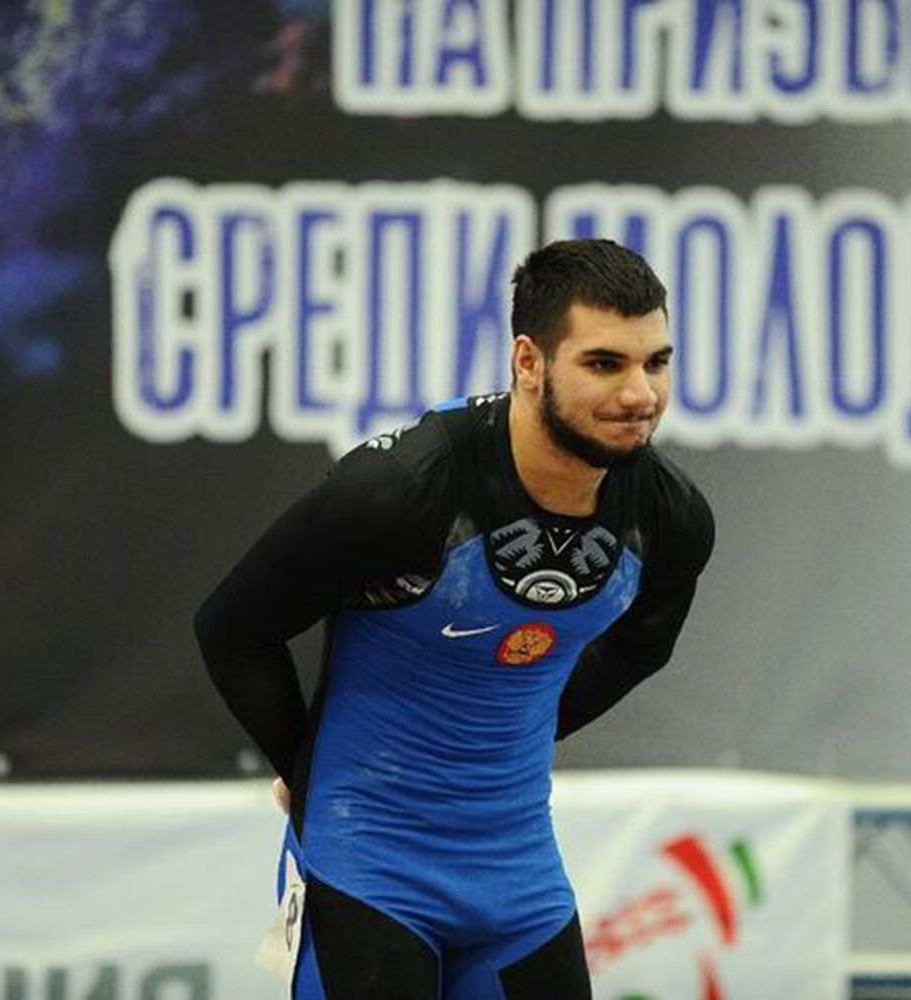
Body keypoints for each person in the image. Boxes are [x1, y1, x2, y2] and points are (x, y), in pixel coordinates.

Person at [194, 238, 714, 999]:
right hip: (368, 861)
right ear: (529, 362)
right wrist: (304, 769)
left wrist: (513, 730)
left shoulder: (672, 518)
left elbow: (642, 650)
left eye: (656, 363)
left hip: (518, 873)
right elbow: (232, 629)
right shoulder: (401, 492)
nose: (641, 394)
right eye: (605, 364)